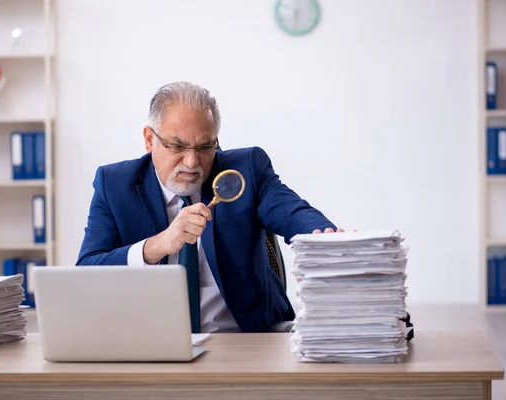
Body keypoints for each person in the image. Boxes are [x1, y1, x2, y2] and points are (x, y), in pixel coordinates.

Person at [77, 81, 342, 333]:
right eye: (177, 146)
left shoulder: (245, 169)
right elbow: (86, 272)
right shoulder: (114, 185)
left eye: (205, 146)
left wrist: (328, 243)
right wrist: (157, 246)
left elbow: (293, 213)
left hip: (246, 342)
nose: (192, 163)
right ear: (149, 139)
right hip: (151, 347)